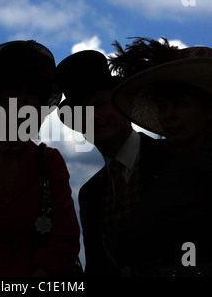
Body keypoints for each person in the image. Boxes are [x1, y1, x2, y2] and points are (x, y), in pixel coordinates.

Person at [109, 37, 212, 276]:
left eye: (181, 104)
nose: (169, 115)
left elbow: (126, 242)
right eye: (162, 106)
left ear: (209, 110)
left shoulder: (190, 166)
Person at [0, 40, 80, 277]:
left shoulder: (51, 162)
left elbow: (66, 238)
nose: (22, 99)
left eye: (31, 92)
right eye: (12, 89)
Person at [54, 50, 167, 276]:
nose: (93, 117)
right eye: (82, 112)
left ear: (124, 106)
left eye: (99, 104)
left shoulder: (173, 159)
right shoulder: (90, 193)